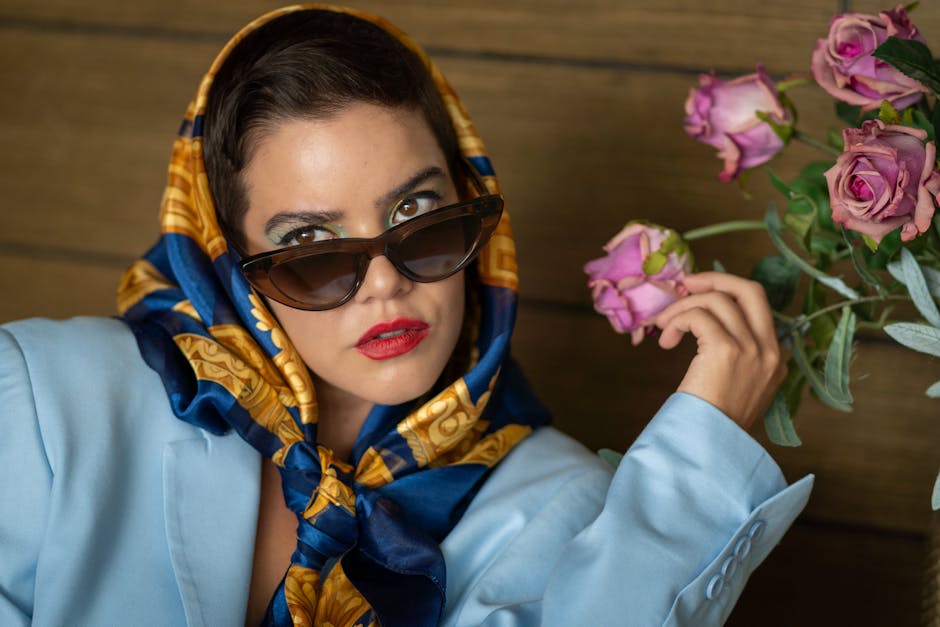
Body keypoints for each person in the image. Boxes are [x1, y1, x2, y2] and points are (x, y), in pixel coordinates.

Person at [0, 5, 813, 626]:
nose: (384, 282)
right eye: (312, 243)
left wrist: (700, 454)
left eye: (418, 211)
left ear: (469, 200)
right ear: (226, 261)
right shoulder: (42, 405)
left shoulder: (566, 503)